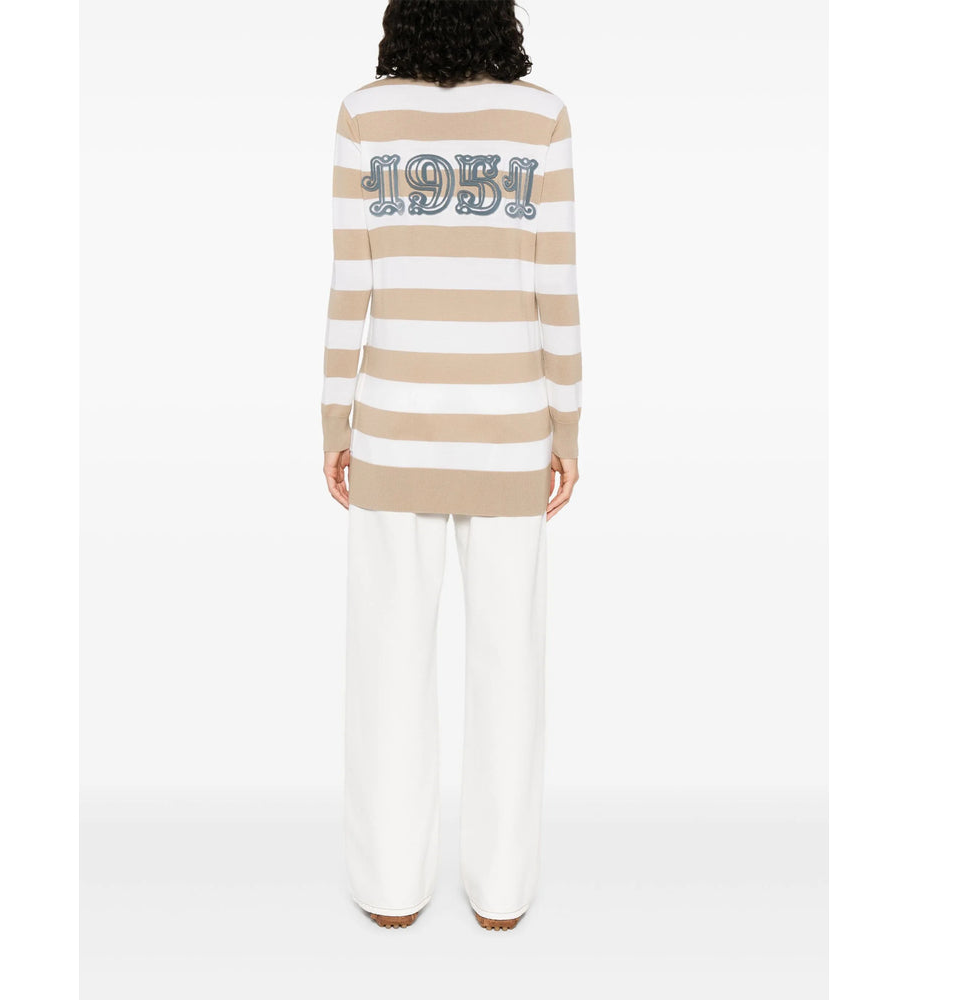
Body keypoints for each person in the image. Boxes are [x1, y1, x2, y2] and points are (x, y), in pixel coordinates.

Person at [319, 0, 582, 931]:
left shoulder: (365, 115)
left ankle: (390, 889)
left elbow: (350, 284)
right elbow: (556, 288)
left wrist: (333, 418)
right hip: (511, 428)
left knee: (387, 663)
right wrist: (568, 424)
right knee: (511, 664)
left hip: (393, 429)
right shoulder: (540, 118)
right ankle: (503, 893)